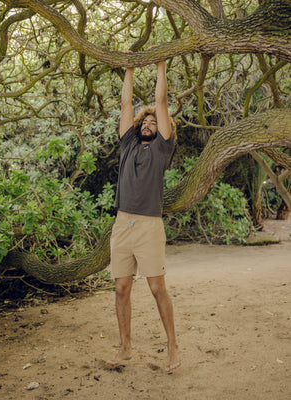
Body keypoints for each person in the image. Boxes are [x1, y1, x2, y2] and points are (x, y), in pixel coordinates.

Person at [108, 56, 180, 373]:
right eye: (145, 122)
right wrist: (129, 68)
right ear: (138, 127)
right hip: (123, 224)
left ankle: (172, 347)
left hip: (150, 226)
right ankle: (125, 348)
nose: (149, 124)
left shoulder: (163, 148)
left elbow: (161, 101)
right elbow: (125, 105)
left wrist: (161, 65)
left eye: (154, 122)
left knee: (156, 288)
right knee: (121, 288)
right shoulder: (128, 144)